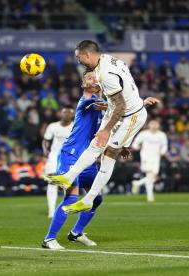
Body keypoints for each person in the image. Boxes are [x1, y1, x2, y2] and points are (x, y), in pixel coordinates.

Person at [42, 72, 160, 250]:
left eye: (96, 77)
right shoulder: (87, 102)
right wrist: (141, 102)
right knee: (71, 196)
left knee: (96, 198)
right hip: (71, 155)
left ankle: (76, 233)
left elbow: (117, 118)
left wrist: (125, 145)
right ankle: (49, 239)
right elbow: (114, 107)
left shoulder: (105, 107)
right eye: (89, 78)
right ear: (83, 84)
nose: (95, 79)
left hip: (88, 159)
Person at [46, 40, 148, 214]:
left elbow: (122, 105)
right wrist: (109, 104)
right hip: (118, 111)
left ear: (87, 55)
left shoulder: (106, 73)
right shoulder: (108, 60)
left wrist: (108, 131)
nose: (78, 61)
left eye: (79, 58)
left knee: (109, 154)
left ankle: (88, 199)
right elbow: (124, 88)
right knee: (96, 145)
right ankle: (68, 177)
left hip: (130, 116)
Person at [42, 106, 74, 218]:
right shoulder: (53, 126)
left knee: (68, 183)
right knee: (52, 182)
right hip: (54, 157)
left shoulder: (76, 126)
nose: (67, 114)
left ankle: (67, 208)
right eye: (65, 111)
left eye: (69, 112)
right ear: (61, 113)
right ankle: (51, 211)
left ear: (73, 114)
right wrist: (45, 152)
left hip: (69, 158)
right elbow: (46, 140)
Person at [131, 119, 168, 202]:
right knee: (150, 176)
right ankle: (150, 196)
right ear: (149, 125)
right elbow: (135, 144)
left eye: (156, 124)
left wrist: (163, 151)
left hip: (156, 158)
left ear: (158, 125)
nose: (154, 125)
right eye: (152, 124)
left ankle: (137, 183)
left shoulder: (162, 135)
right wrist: (138, 147)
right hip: (146, 157)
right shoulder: (143, 134)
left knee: (152, 177)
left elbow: (164, 145)